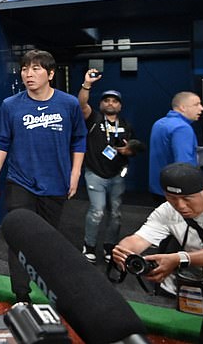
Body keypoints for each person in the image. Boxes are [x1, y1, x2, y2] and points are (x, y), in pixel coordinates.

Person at [0, 49, 87, 304]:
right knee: (19, 236)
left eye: (36, 69)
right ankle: (21, 294)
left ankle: (49, 287)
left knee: (47, 239)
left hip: (56, 182)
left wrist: (75, 174)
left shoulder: (69, 104)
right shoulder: (11, 105)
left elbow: (79, 140)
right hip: (20, 182)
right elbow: (2, 142)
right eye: (24, 69)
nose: (28, 74)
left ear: (51, 73)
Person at [113, 162, 203, 342]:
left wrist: (179, 258)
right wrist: (124, 250)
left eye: (188, 198)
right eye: (171, 197)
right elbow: (138, 239)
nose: (180, 205)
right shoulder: (167, 210)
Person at [78, 69, 138, 264]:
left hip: (117, 176)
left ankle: (109, 246)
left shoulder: (126, 125)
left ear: (120, 106)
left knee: (117, 214)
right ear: (101, 104)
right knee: (97, 210)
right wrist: (87, 85)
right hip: (95, 174)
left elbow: (133, 148)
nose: (110, 103)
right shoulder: (94, 119)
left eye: (114, 101)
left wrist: (129, 150)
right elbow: (81, 104)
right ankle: (89, 246)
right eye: (107, 100)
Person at [149, 92, 203, 204]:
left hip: (158, 189)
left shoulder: (159, 123)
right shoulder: (182, 128)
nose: (201, 108)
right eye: (196, 104)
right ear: (183, 107)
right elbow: (184, 165)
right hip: (177, 193)